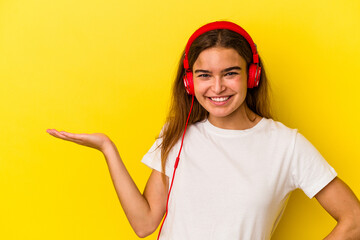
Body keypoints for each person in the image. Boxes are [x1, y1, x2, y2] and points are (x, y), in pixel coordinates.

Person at [46, 21, 360, 239]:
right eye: (204, 75)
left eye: (230, 73)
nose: (217, 87)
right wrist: (107, 148)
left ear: (252, 77)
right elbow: (144, 224)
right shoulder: (176, 134)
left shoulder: (286, 145)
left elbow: (354, 222)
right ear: (189, 82)